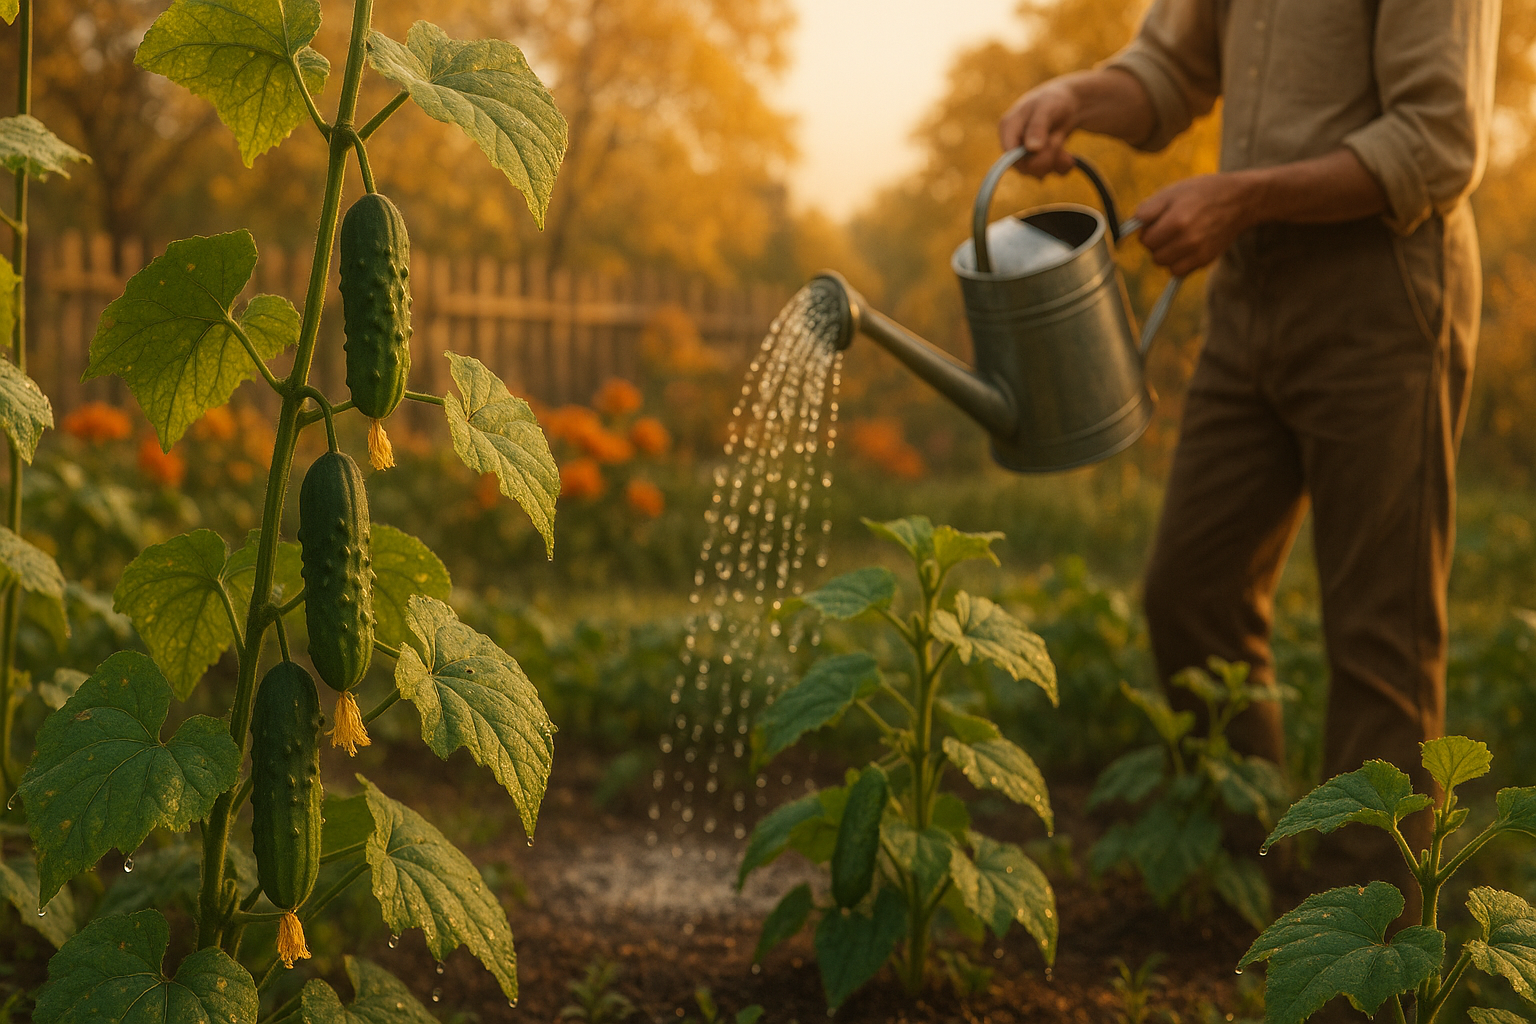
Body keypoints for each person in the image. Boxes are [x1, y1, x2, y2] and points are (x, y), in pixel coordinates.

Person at [997, 0, 1499, 912]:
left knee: (1380, 640)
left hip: (1383, 298)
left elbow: (1438, 142)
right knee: (1194, 591)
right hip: (1250, 294)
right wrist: (1075, 96)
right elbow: (1170, 71)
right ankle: (1253, 889)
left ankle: (1365, 950)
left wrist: (1241, 197)